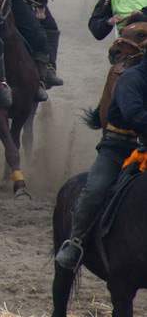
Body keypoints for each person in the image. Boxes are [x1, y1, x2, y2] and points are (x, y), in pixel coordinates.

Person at [54, 55, 147, 271]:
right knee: (94, 191)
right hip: (117, 149)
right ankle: (75, 243)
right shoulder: (132, 78)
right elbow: (133, 114)